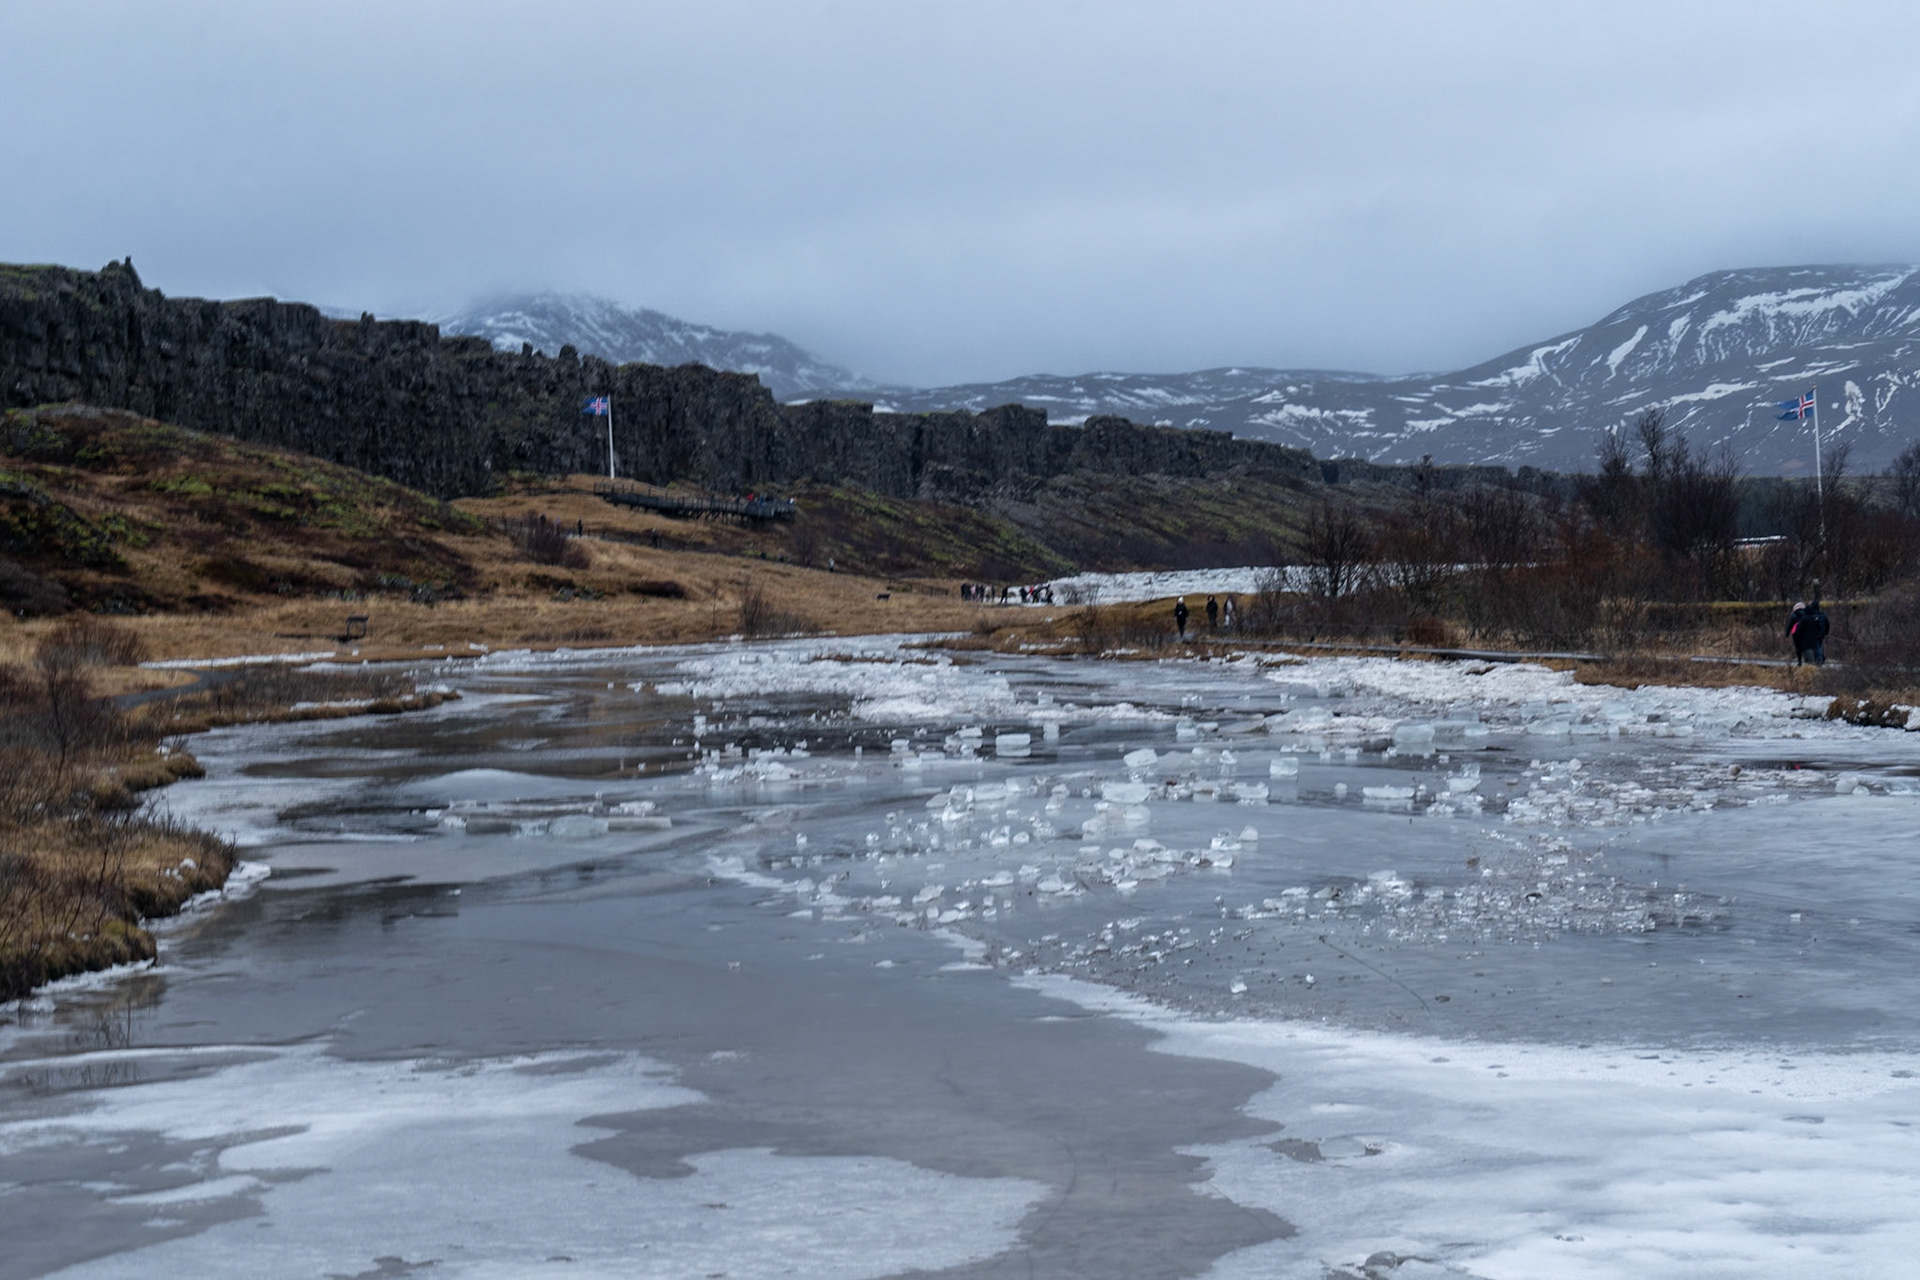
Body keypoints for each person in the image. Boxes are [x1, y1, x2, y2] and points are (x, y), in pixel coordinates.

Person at [1787, 601, 1813, 665]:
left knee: (1798, 647)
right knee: (1806, 646)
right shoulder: (1807, 614)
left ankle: (1799, 661)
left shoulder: (1793, 615)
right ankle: (1808, 660)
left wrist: (1787, 633)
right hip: (1805, 633)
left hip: (1795, 633)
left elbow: (1789, 625)